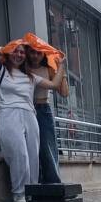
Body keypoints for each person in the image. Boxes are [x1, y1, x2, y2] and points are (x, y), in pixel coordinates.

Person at [0, 40, 65, 202]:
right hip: (8, 114)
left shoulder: (31, 76)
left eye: (22, 52)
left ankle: (31, 192)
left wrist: (60, 66)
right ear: (9, 53)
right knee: (20, 154)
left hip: (29, 115)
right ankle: (18, 193)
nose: (19, 55)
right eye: (15, 51)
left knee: (32, 155)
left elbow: (54, 85)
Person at [26, 43, 69, 184]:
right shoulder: (23, 69)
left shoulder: (48, 69)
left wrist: (60, 70)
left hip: (43, 109)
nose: (35, 56)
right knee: (30, 148)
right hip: (26, 110)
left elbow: (64, 93)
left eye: (39, 53)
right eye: (32, 52)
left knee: (47, 147)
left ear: (43, 54)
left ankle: (53, 183)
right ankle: (35, 182)